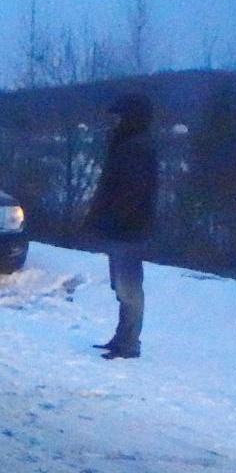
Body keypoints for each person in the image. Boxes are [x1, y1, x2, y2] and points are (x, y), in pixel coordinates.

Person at [84, 92, 159, 360]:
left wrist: (110, 220)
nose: (114, 122)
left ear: (131, 118)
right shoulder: (127, 144)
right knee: (122, 287)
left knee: (128, 288)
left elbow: (131, 193)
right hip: (123, 229)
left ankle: (128, 344)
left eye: (118, 116)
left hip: (128, 231)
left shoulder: (136, 148)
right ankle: (122, 339)